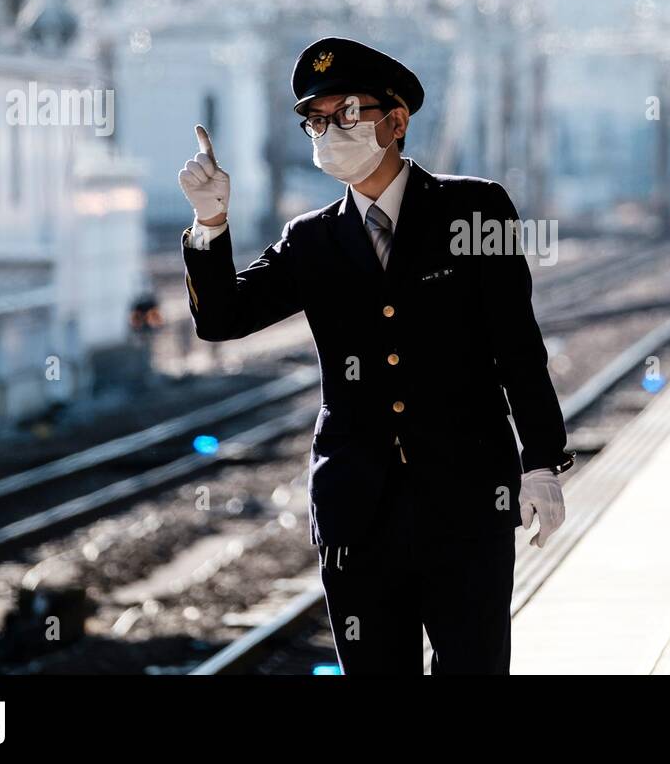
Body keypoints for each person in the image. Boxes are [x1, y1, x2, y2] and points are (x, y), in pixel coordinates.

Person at [178, 36, 573, 674]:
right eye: (317, 120)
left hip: (468, 504)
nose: (331, 131)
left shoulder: (473, 209)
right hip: (356, 515)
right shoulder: (309, 240)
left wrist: (543, 463)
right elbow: (222, 319)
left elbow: (517, 346)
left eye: (349, 113)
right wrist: (210, 223)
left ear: (396, 120)